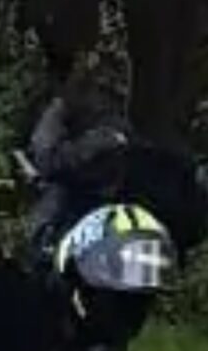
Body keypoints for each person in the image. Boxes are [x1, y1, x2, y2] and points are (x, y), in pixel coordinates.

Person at [28, 68, 132, 254]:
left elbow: (48, 162)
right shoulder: (103, 135)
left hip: (90, 234)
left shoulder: (105, 136)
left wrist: (58, 107)